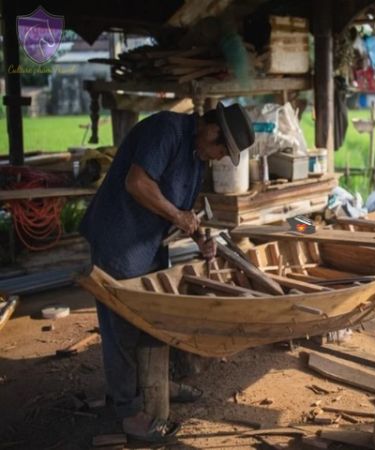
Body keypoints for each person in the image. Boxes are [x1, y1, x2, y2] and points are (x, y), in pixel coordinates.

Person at [79, 102, 255, 443]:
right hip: (120, 237)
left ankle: (155, 382)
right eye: (222, 149)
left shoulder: (197, 154)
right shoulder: (167, 130)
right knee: (122, 326)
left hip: (149, 241)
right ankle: (128, 410)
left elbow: (185, 210)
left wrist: (201, 238)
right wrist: (178, 217)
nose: (220, 157)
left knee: (157, 316)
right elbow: (137, 183)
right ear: (211, 129)